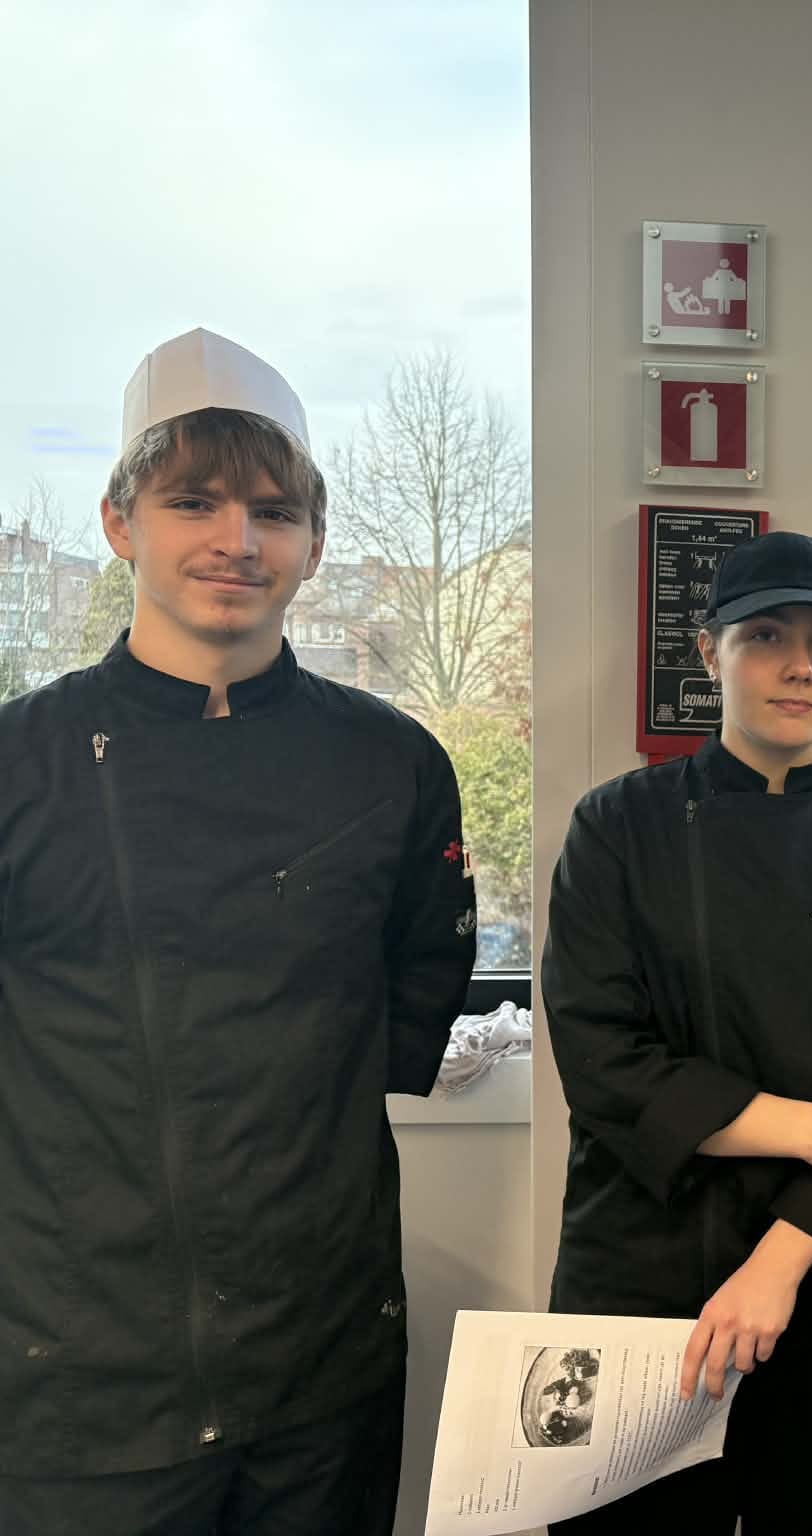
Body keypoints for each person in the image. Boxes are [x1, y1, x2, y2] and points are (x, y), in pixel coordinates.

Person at [0, 328, 476, 1533]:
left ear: (313, 541)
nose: (237, 540)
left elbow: (411, 994)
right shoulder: (20, 763)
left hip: (322, 1366)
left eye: (273, 512)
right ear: (120, 523)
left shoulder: (393, 765)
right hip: (72, 1381)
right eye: (193, 503)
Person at [542, 531, 812, 1536]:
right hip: (638, 1276)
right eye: (766, 635)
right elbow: (603, 1062)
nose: (800, 666)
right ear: (708, 649)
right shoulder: (614, 829)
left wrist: (776, 1266)